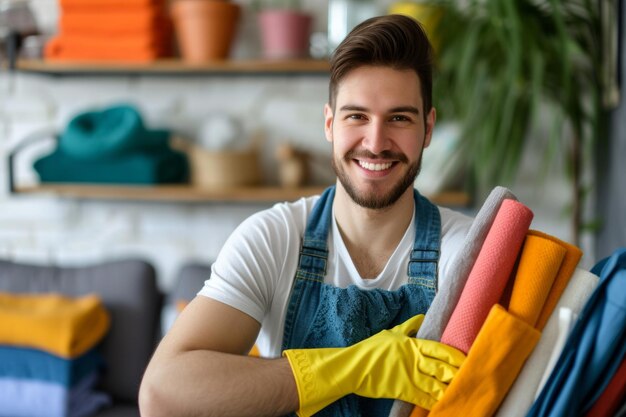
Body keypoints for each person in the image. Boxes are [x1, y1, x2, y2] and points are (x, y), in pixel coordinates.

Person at [139, 14, 473, 417]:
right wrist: (352, 368)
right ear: (330, 123)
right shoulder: (274, 238)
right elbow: (162, 395)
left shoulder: (468, 252)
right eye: (357, 116)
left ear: (428, 129)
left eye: (399, 118)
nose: (376, 142)